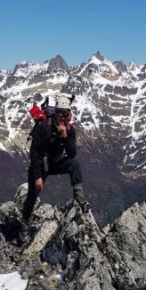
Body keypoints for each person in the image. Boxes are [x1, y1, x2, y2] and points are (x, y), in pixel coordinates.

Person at [22, 94, 89, 222]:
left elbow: (72, 154)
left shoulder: (70, 130)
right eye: (60, 114)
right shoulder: (43, 127)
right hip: (41, 163)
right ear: (55, 114)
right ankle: (24, 221)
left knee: (74, 164)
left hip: (54, 162)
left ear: (69, 116)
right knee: (33, 195)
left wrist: (65, 137)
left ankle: (80, 201)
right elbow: (34, 152)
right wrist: (37, 177)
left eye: (66, 115)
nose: (63, 118)